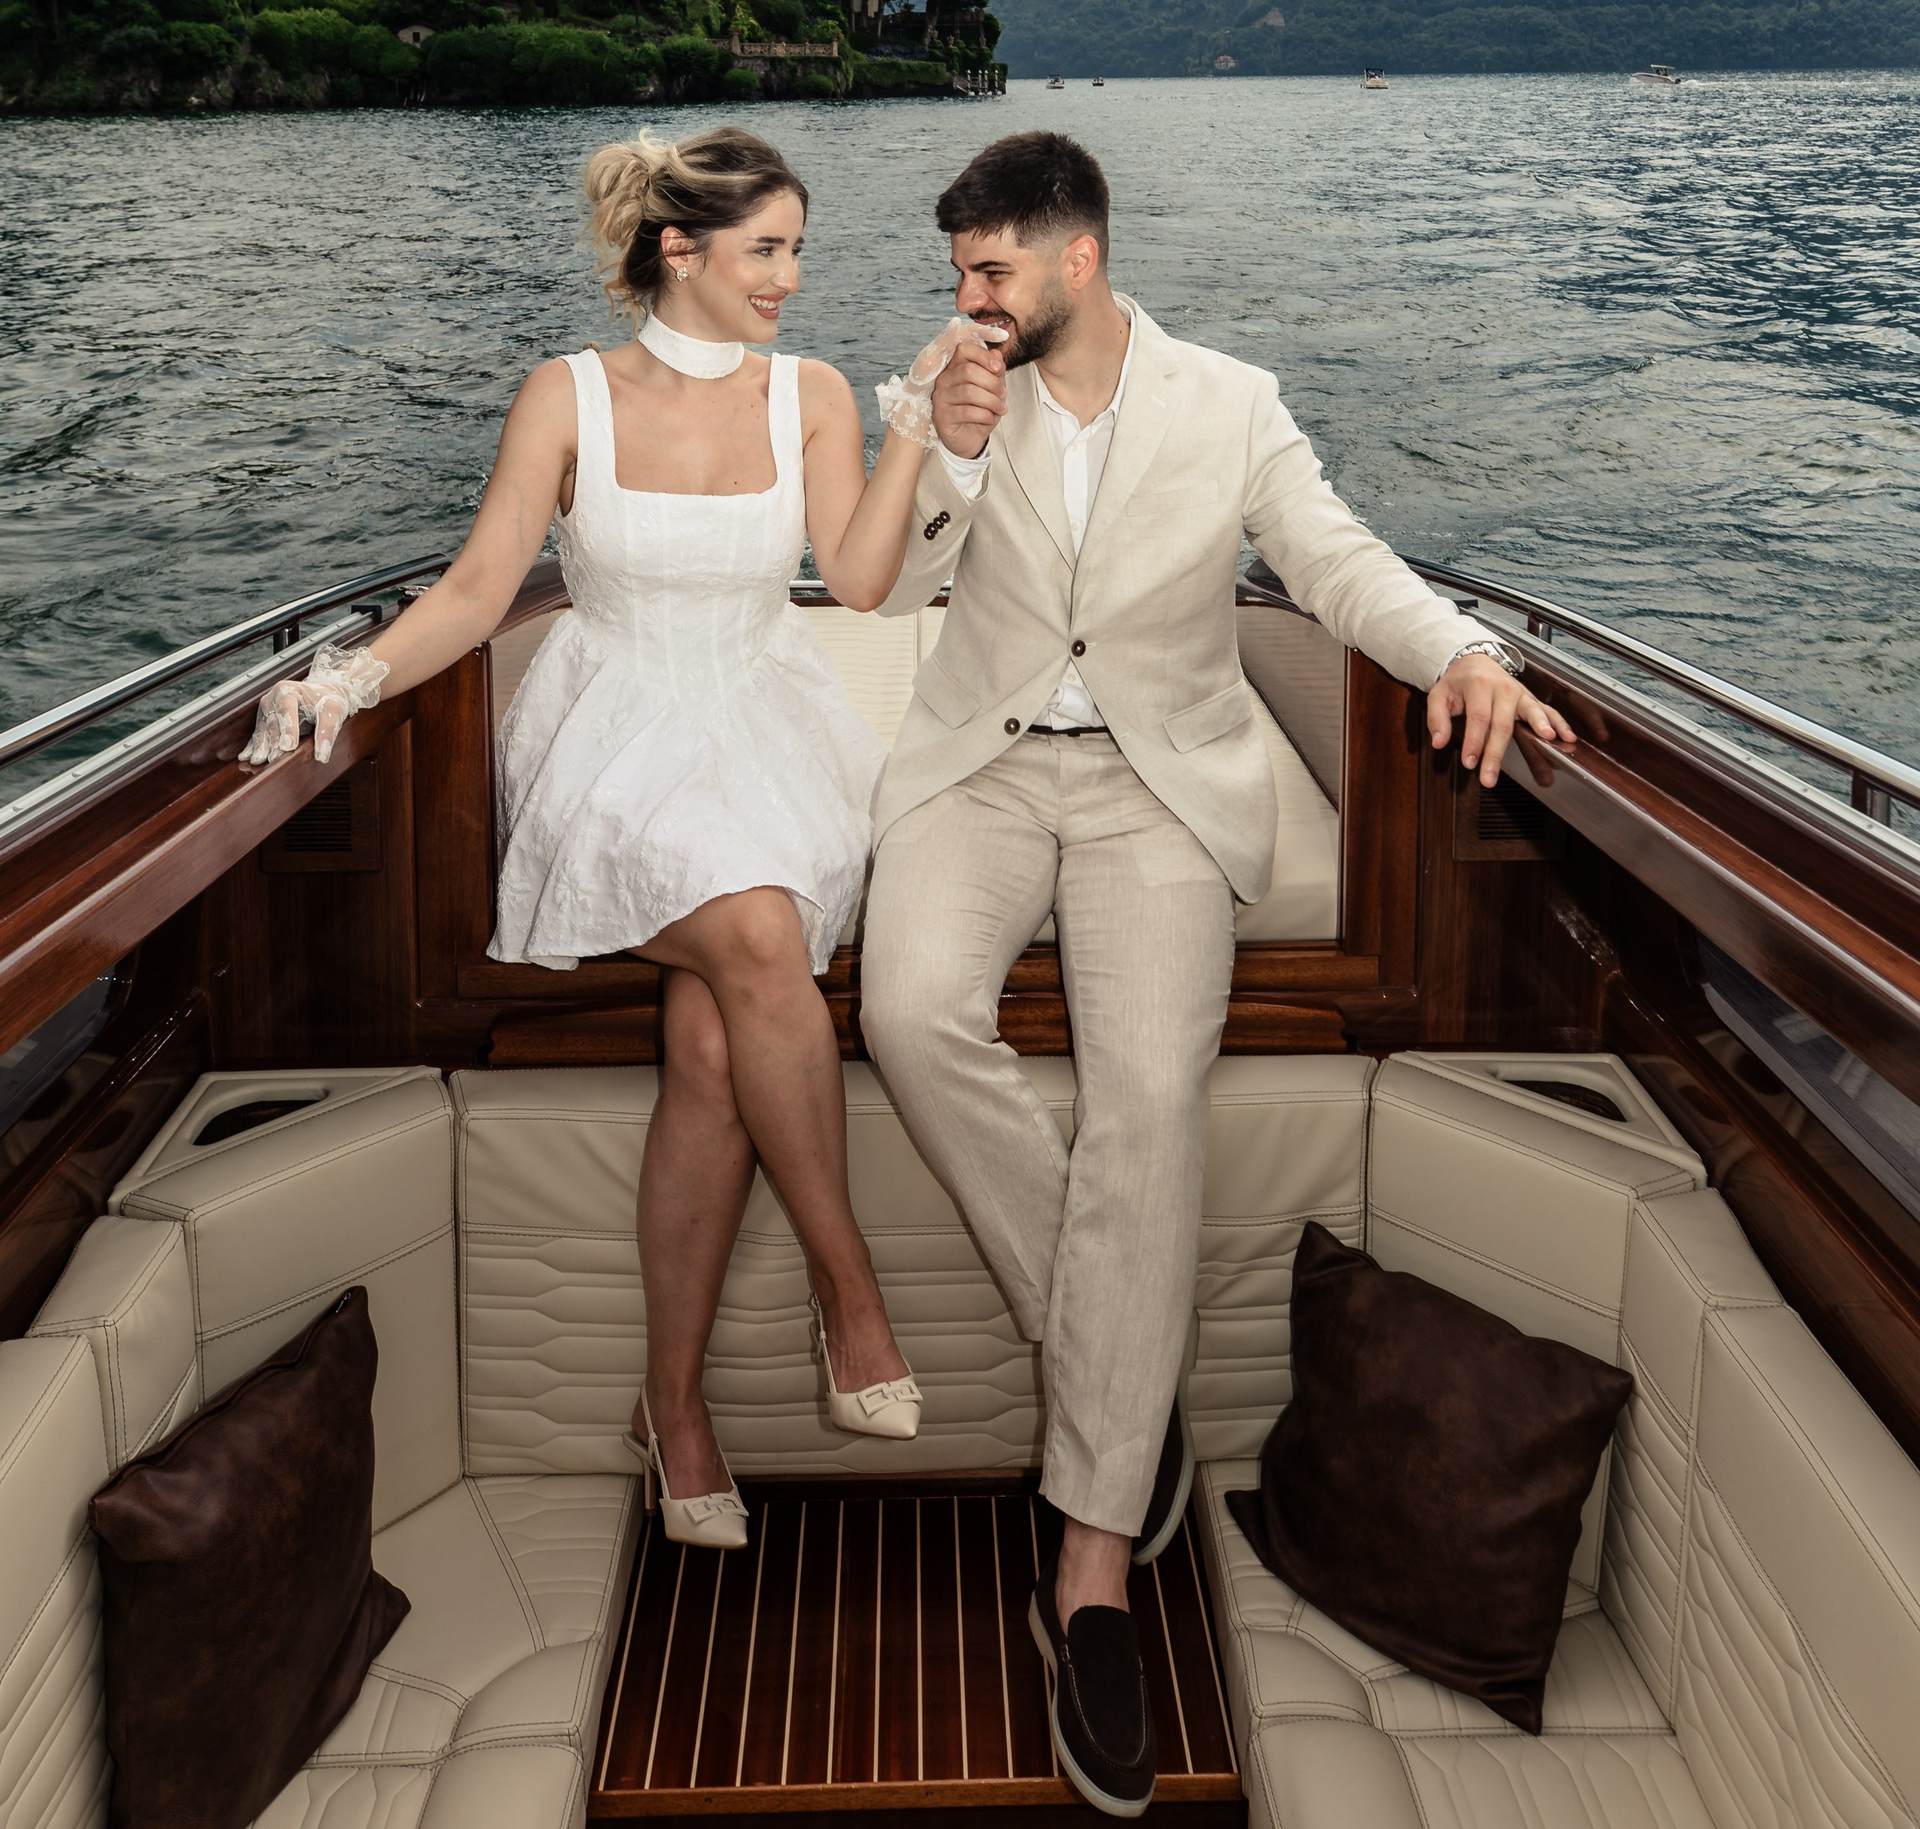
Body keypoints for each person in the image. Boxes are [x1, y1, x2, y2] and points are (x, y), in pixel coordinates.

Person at [859, 132, 1575, 1819]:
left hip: (1162, 785)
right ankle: (1122, 1389)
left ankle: (1093, 1568)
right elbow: (900, 578)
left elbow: (1333, 560)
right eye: (957, 274)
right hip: (979, 770)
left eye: (991, 270)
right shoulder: (945, 388)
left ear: (1079, 259)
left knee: (1150, 1102)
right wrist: (942, 440)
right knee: (905, 1012)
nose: (967, 299)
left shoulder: (1232, 403)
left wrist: (1464, 650)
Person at [239, 124, 973, 1553]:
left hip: (769, 732)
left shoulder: (814, 394)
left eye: (798, 250)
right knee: (756, 933)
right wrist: (350, 679)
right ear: (678, 249)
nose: (791, 277)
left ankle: (670, 1409)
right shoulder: (564, 395)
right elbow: (478, 589)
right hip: (613, 736)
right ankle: (851, 1293)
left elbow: (862, 583)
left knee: (713, 1039)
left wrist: (912, 440)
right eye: (767, 250)